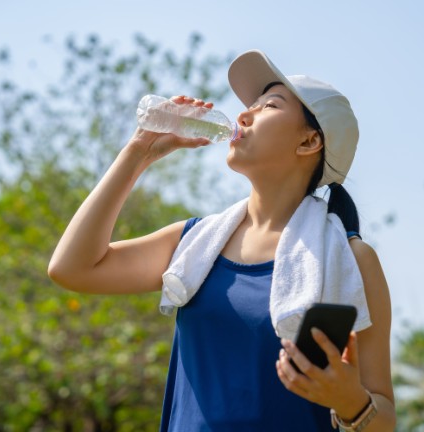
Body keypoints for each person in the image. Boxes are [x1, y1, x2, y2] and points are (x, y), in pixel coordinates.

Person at [48, 49, 396, 431]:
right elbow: (72, 268)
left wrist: (350, 401)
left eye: (270, 106)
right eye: (252, 104)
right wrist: (138, 152)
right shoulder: (194, 243)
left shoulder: (350, 258)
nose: (244, 114)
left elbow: (384, 415)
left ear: (309, 141)